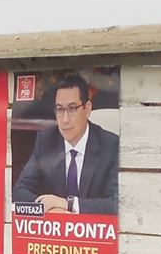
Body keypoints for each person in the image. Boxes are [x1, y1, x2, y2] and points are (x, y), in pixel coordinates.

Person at [12, 74, 119, 215]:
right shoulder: (46, 140)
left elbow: (116, 203)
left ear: (87, 109)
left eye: (72, 108)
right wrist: (53, 210)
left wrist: (68, 204)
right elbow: (20, 191)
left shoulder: (111, 145)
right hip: (55, 226)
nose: (65, 119)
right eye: (60, 110)